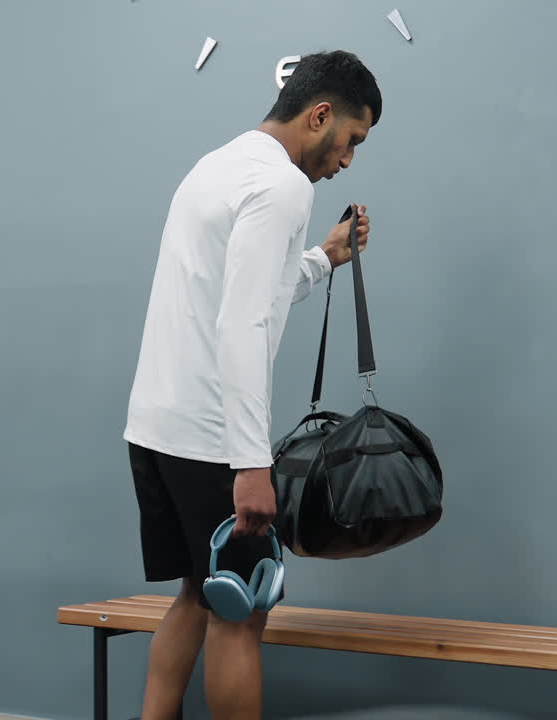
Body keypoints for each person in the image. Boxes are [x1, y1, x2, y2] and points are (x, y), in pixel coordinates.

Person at [122, 50, 382, 719]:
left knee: (196, 593)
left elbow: (246, 295)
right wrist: (251, 463)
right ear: (320, 115)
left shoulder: (219, 165)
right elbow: (241, 326)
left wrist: (324, 257)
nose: (348, 159)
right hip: (212, 440)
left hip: (155, 428)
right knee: (242, 610)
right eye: (351, 139)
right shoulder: (284, 187)